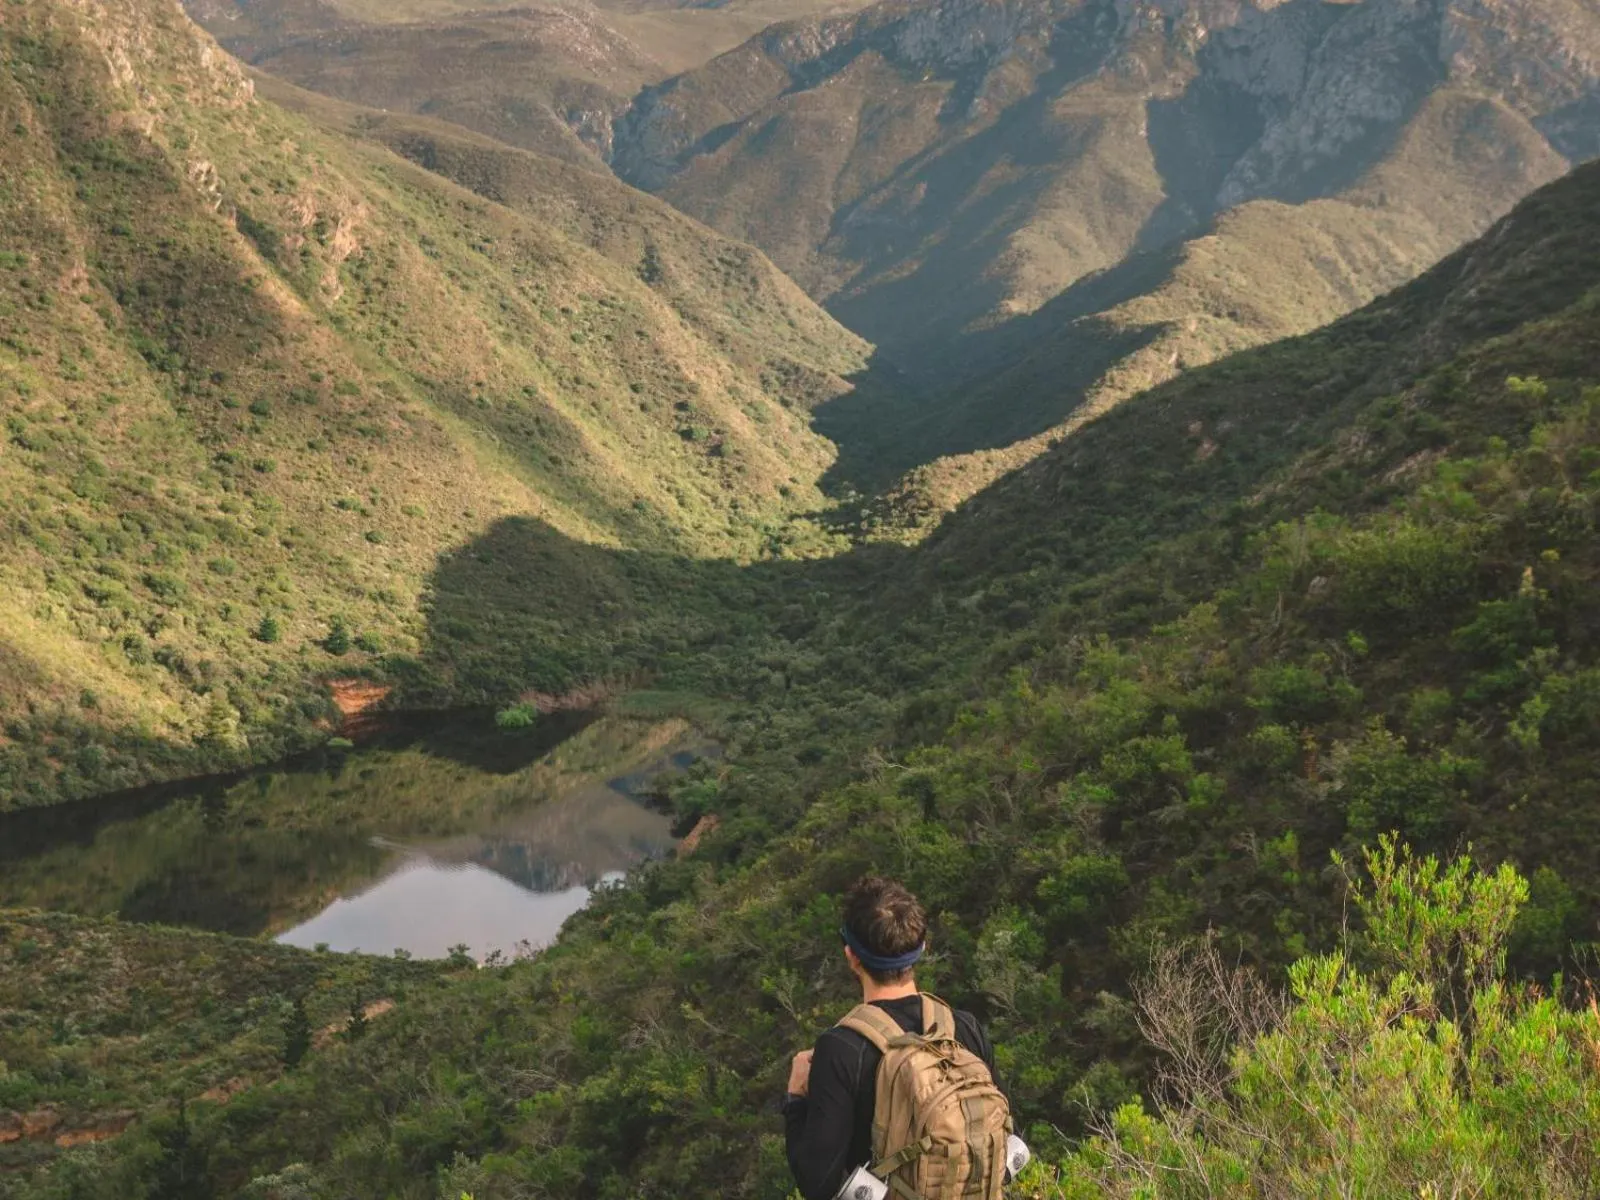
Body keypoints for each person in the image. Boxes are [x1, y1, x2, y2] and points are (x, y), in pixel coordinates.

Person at [782, 876, 1009, 1200]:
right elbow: (1004, 1135)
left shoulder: (841, 1049)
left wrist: (795, 1101)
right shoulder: (963, 1028)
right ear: (921, 948)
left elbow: (817, 1184)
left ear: (851, 956)